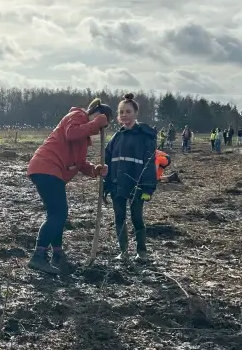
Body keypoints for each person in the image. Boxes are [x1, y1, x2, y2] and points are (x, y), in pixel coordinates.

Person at [26, 98, 112, 274]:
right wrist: (96, 123)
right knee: (59, 213)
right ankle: (38, 255)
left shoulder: (83, 139)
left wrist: (95, 170)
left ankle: (57, 253)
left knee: (56, 214)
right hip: (47, 167)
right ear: (97, 113)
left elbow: (79, 164)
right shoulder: (77, 115)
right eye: (103, 123)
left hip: (50, 172)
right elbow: (71, 133)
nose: (99, 130)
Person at [104, 93, 156, 262]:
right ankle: (123, 252)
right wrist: (106, 185)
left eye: (128, 111)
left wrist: (148, 187)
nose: (124, 115)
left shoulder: (145, 137)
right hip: (117, 185)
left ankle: (141, 252)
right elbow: (107, 164)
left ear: (135, 113)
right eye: (121, 112)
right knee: (119, 218)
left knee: (137, 218)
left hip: (137, 186)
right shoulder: (115, 138)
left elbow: (149, 163)